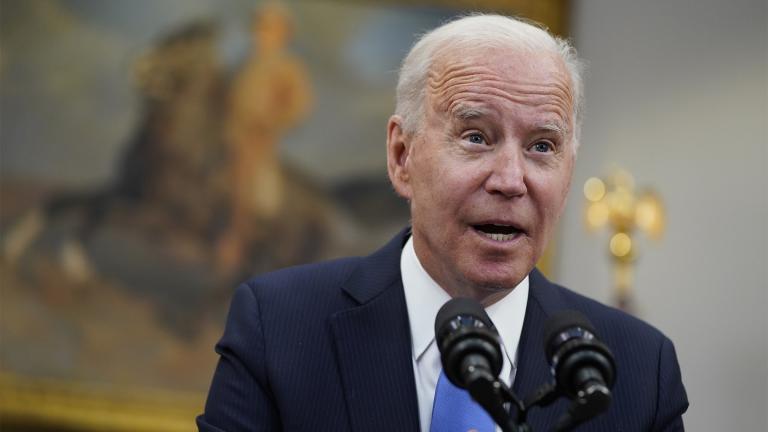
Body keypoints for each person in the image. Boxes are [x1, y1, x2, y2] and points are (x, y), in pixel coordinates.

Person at [197, 14, 688, 432]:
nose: (511, 180)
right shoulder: (279, 328)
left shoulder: (638, 372)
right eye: (476, 136)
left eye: (542, 146)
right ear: (401, 155)